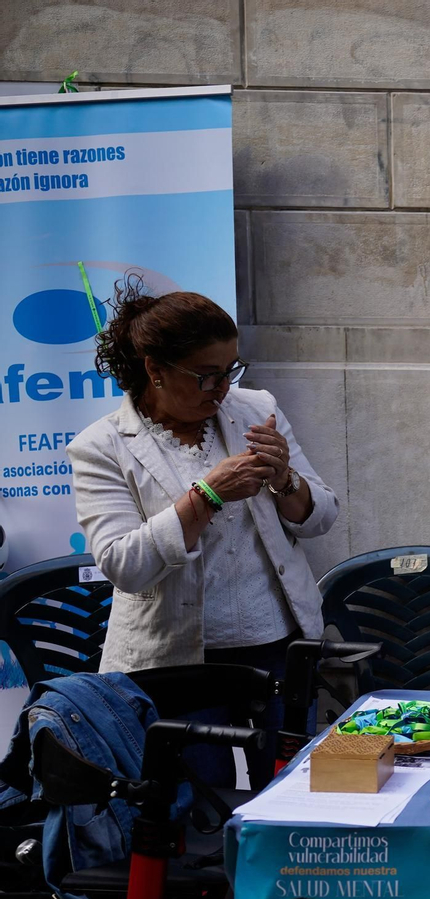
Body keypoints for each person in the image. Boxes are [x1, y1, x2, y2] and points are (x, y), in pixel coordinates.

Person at [68, 277, 338, 785]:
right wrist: (205, 496)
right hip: (173, 662)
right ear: (155, 370)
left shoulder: (254, 408)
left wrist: (286, 479)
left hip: (276, 645)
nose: (222, 389)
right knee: (193, 810)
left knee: (293, 792)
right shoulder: (102, 446)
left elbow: (321, 517)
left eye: (230, 370)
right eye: (207, 375)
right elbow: (124, 565)